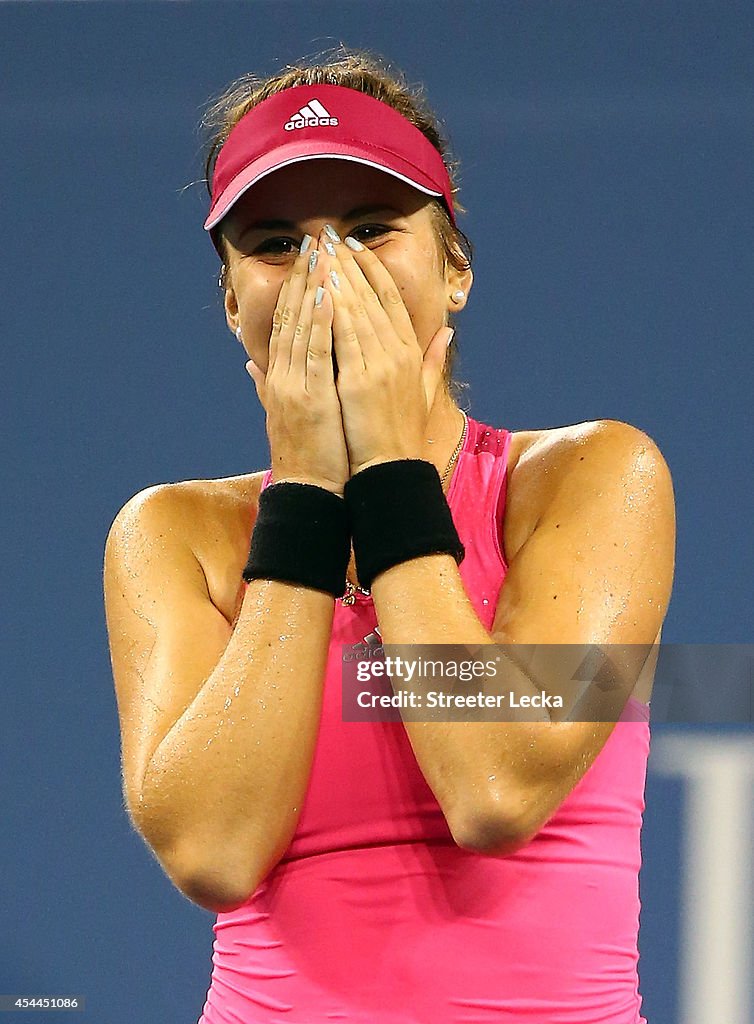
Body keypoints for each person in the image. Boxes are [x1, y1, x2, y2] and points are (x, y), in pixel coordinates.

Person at [103, 48, 676, 1024]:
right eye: (276, 243)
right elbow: (212, 850)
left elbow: (493, 786)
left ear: (455, 269)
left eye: (371, 229)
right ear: (232, 300)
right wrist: (311, 498)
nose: (328, 272)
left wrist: (390, 472)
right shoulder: (173, 535)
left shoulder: (596, 478)